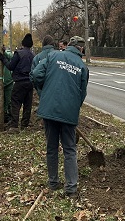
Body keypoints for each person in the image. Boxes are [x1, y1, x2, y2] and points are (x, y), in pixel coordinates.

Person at [31, 35, 89, 197]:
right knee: (69, 149)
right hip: (69, 113)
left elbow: (36, 74)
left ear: (68, 45)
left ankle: (53, 182)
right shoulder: (82, 67)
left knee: (52, 147)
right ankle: (71, 188)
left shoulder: (53, 56)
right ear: (81, 49)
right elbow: (82, 93)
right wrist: (73, 108)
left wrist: (45, 91)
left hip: (49, 110)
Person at [1, 33, 35, 131]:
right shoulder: (33, 55)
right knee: (28, 104)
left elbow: (11, 66)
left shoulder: (18, 53)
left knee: (15, 103)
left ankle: (14, 125)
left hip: (19, 82)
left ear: (23, 43)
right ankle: (24, 125)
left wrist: (3, 59)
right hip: (30, 83)